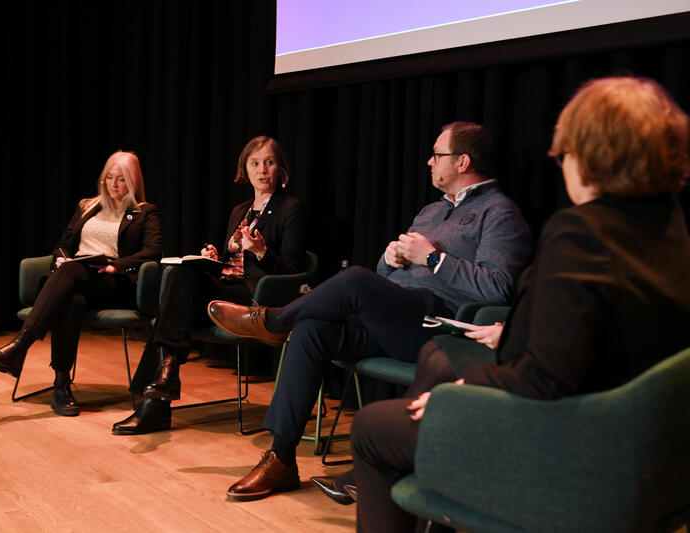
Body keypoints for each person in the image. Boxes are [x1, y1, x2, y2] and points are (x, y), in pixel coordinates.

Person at [350, 76, 690, 532]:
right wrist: (517, 332)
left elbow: (544, 378)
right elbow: (615, 334)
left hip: (568, 447)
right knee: (433, 367)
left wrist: (461, 393)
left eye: (566, 152)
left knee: (371, 427)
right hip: (650, 459)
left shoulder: (580, 233)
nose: (563, 164)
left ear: (593, 155)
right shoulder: (671, 228)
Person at [207, 121, 533, 501]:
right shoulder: (431, 211)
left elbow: (498, 288)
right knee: (313, 328)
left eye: (437, 155)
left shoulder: (499, 212)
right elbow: (385, 276)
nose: (429, 162)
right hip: (393, 320)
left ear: (462, 162)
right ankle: (280, 458)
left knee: (355, 279)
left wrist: (433, 259)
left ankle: (273, 320)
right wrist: (391, 260)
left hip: (438, 328)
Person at [110, 135, 305, 435]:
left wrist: (262, 252)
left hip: (256, 297)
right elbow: (233, 262)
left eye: (269, 162)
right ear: (246, 169)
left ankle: (156, 403)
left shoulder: (290, 208)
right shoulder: (240, 211)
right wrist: (216, 259)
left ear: (281, 169)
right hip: (227, 287)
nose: (262, 170)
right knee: (182, 274)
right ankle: (164, 382)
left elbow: (294, 271)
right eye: (255, 163)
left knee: (171, 309)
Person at [0, 150, 163, 416]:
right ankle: (61, 386)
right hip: (75, 278)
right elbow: (63, 245)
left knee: (70, 276)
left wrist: (117, 266)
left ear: (133, 181)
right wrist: (62, 259)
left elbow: (153, 251)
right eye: (109, 177)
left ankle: (19, 347)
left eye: (121, 179)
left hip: (112, 282)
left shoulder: (144, 212)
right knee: (72, 300)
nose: (113, 184)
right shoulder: (87, 206)